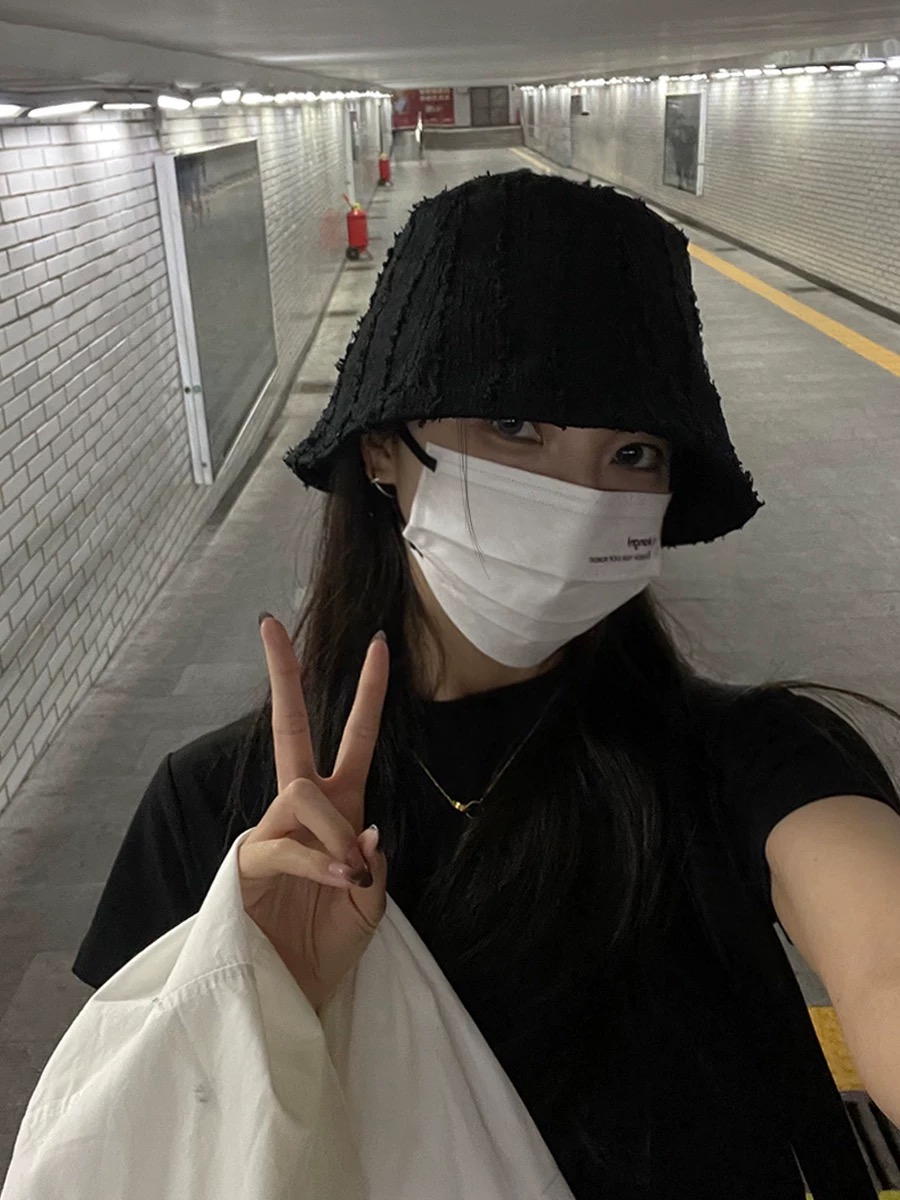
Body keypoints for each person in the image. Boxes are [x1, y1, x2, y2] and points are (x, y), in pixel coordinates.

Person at [71, 170, 900, 1198]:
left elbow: (883, 963)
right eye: (515, 428)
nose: (579, 498)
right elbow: (114, 1143)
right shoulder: (218, 813)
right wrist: (242, 995)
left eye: (631, 452)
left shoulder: (748, 764)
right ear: (386, 449)